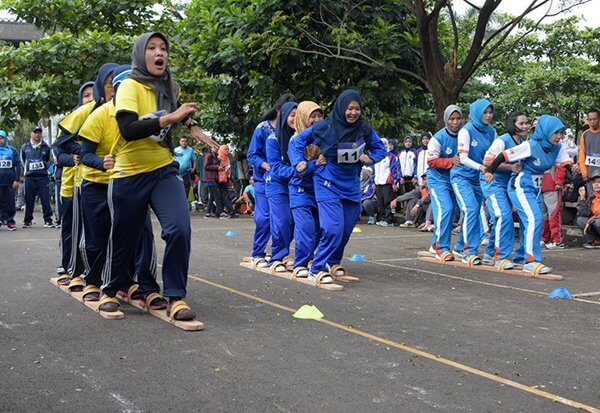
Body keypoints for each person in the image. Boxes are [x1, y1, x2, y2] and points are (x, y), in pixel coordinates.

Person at [105, 32, 215, 319]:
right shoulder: (129, 86)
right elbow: (129, 129)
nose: (159, 53)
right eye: (152, 48)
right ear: (141, 54)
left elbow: (175, 106)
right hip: (129, 173)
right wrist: (171, 118)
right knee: (126, 238)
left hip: (163, 169)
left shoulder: (168, 84)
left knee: (179, 228)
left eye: (163, 49)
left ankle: (176, 296)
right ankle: (112, 287)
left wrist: (192, 126)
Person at [291, 89, 387, 284]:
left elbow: (380, 148)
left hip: (351, 184)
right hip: (327, 182)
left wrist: (371, 158)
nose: (353, 113)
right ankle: (316, 268)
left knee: (345, 230)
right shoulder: (325, 127)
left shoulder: (364, 129)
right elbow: (297, 141)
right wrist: (298, 161)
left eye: (357, 109)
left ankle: (332, 262)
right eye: (349, 108)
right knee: (332, 227)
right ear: (342, 108)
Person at [485, 115, 577, 274]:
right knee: (533, 219)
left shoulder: (557, 148)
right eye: (556, 133)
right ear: (546, 131)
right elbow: (503, 156)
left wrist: (575, 169)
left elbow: (565, 163)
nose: (559, 137)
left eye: (561, 133)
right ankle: (526, 260)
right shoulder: (530, 145)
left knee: (533, 221)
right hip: (520, 187)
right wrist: (489, 171)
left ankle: (520, 257)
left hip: (535, 189)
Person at [247, 94, 296, 268]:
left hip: (286, 179)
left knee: (287, 219)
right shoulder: (263, 129)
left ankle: (279, 252)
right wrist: (266, 165)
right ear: (278, 111)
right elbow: (252, 154)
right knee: (264, 218)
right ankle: (258, 253)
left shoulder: (295, 130)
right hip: (264, 179)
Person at [451, 99, 496, 265]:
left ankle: (458, 247)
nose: (489, 115)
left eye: (490, 112)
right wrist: (482, 168)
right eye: (485, 112)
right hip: (461, 177)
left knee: (474, 212)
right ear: (477, 113)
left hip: (478, 179)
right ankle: (470, 251)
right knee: (470, 209)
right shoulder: (466, 131)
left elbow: (495, 154)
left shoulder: (491, 131)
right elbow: (463, 158)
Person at [480, 111, 526, 268]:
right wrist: (510, 167)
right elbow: (487, 162)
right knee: (504, 216)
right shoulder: (502, 140)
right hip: (492, 182)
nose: (525, 126)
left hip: (508, 185)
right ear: (513, 125)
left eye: (526, 123)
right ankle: (501, 257)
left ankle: (490, 252)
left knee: (504, 218)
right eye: (521, 123)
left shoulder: (523, 143)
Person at [287, 100, 324, 277]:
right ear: (303, 119)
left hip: (319, 190)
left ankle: (312, 259)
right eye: (312, 117)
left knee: (321, 228)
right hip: (300, 189)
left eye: (319, 116)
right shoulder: (295, 140)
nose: (317, 120)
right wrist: (315, 164)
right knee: (306, 228)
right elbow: (299, 170)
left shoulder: (324, 139)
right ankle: (300, 263)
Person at [265, 102, 298, 272]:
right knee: (283, 221)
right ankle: (277, 256)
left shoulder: (303, 136)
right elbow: (276, 167)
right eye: (292, 115)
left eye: (298, 115)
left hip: (296, 183)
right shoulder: (273, 139)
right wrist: (299, 170)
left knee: (296, 222)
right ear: (284, 116)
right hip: (277, 184)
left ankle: (284, 252)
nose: (295, 118)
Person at [20, 126, 54, 228]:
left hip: (43, 178)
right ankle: (27, 221)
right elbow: (22, 160)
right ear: (31, 134)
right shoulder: (25, 147)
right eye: (35, 132)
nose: (37, 135)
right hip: (30, 178)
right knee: (29, 200)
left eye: (39, 132)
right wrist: (26, 171)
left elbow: (50, 160)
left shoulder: (46, 147)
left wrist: (46, 170)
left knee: (45, 199)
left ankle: (48, 220)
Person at [373, 138, 399, 227]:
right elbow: (374, 171)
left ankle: (389, 220)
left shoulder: (391, 156)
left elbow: (394, 170)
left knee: (387, 201)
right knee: (380, 202)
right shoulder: (377, 157)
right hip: (378, 182)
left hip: (387, 182)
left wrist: (394, 182)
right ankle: (382, 218)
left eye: (385, 144)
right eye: (382, 144)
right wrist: (373, 182)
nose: (383, 145)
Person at [541, 163, 566, 249]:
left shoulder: (555, 151)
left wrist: (559, 181)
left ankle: (557, 240)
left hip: (552, 187)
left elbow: (561, 165)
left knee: (554, 214)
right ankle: (544, 238)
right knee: (543, 216)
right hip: (540, 187)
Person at [0, 130, 20, 230]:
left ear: (5, 139)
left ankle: (10, 221)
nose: (0, 140)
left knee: (10, 202)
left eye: (1, 138)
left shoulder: (12, 150)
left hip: (9, 182)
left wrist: (16, 179)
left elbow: (18, 165)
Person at [576, 174, 600, 248]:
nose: (596, 184)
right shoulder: (592, 197)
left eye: (599, 182)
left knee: (598, 222)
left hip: (597, 220)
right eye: (594, 182)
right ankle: (593, 241)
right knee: (580, 220)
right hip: (595, 220)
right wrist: (582, 198)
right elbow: (585, 213)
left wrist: (591, 220)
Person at [578, 108, 600, 184]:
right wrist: (584, 172)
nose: (592, 122)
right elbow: (581, 154)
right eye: (590, 119)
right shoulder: (584, 135)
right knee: (591, 196)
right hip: (589, 175)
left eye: (595, 119)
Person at [174, 136, 197, 202]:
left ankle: (184, 202)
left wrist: (193, 168)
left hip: (186, 172)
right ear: (180, 142)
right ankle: (177, 202)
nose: (184, 143)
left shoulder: (190, 150)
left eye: (185, 141)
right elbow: (172, 159)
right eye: (182, 141)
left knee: (186, 188)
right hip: (177, 172)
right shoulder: (176, 150)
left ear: (187, 142)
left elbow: (195, 159)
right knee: (177, 188)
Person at [217, 145, 236, 218]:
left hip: (225, 179)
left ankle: (227, 211)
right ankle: (230, 211)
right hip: (220, 179)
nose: (227, 150)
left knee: (224, 195)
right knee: (224, 196)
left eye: (227, 149)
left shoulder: (226, 158)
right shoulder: (219, 158)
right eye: (225, 149)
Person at [202, 146, 221, 217]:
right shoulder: (208, 156)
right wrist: (216, 167)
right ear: (211, 148)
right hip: (209, 178)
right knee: (216, 195)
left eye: (217, 148)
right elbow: (206, 166)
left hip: (214, 177)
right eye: (214, 147)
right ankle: (219, 212)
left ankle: (208, 212)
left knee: (212, 196)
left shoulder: (215, 156)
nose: (216, 149)